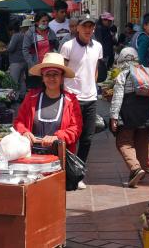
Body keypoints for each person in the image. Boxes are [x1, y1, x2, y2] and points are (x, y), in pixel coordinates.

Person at [60, 16, 103, 189]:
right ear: (77, 28)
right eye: (84, 26)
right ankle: (67, 172)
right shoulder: (68, 46)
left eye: (91, 27)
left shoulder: (98, 47)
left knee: (87, 138)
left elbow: (95, 70)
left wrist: (92, 85)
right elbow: (62, 71)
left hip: (91, 98)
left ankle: (79, 172)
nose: (88, 30)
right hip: (72, 97)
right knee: (71, 137)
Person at [14, 52, 82, 153]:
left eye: (55, 74)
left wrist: (57, 137)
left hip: (60, 158)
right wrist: (24, 132)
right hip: (31, 156)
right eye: (47, 74)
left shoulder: (71, 101)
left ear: (62, 78)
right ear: (43, 78)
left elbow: (76, 128)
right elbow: (19, 121)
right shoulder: (31, 97)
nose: (51, 78)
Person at [110, 47, 149, 187]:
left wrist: (113, 116)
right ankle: (140, 171)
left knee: (123, 142)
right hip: (146, 114)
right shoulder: (145, 73)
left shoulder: (123, 75)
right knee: (142, 143)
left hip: (129, 113)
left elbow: (117, 98)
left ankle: (135, 168)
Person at [23, 12, 58, 89]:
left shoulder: (51, 32)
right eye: (43, 21)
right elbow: (25, 50)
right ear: (37, 22)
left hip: (48, 67)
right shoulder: (30, 34)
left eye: (47, 21)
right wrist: (32, 64)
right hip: (36, 67)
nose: (46, 23)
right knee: (36, 90)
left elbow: (56, 46)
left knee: (48, 89)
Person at [7, 19, 31, 100]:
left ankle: (14, 97)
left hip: (16, 62)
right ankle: (22, 96)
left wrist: (5, 49)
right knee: (21, 80)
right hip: (23, 61)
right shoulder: (23, 35)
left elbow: (11, 48)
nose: (9, 34)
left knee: (14, 81)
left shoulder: (15, 36)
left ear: (12, 30)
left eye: (10, 31)